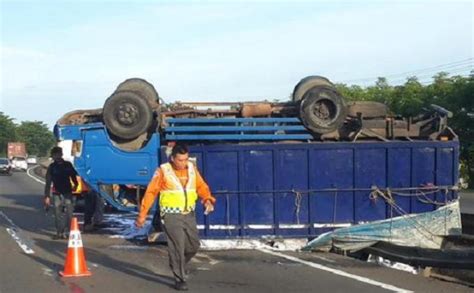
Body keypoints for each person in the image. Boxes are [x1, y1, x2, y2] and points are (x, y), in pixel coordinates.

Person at [135, 143, 215, 291]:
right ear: (172, 158)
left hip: (188, 214)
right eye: (180, 160)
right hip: (171, 215)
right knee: (178, 245)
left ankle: (178, 264)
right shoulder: (163, 171)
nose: (183, 163)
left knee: (193, 245)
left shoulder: (191, 169)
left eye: (185, 159)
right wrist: (142, 215)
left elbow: (201, 186)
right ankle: (180, 278)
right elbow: (151, 193)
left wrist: (207, 199)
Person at [44, 146, 79, 239]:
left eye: (58, 154)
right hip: (56, 192)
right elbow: (48, 182)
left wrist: (75, 184)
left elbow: (73, 176)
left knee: (69, 212)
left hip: (67, 191)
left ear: (61, 154)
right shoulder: (52, 167)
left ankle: (68, 232)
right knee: (57, 212)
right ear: (53, 156)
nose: (57, 156)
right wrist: (47, 196)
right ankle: (59, 232)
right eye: (55, 155)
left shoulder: (67, 164)